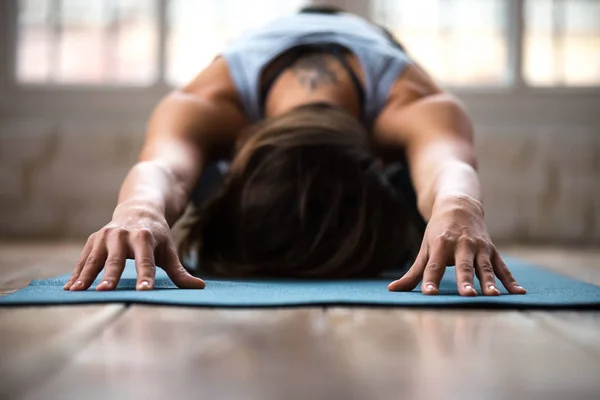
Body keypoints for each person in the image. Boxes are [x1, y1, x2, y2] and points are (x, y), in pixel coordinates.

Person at [63, 5, 526, 297]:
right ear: (242, 149)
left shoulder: (412, 105)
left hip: (371, 119)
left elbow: (447, 166)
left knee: (431, 194)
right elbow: (163, 168)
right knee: (179, 182)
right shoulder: (208, 104)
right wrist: (140, 209)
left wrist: (458, 207)